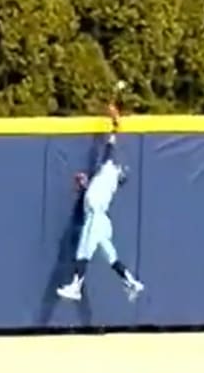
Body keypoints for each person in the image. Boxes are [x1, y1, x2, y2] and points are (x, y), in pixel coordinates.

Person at [56, 106, 144, 303]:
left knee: (82, 251)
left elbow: (109, 146)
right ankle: (131, 282)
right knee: (111, 257)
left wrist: (115, 123)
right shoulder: (104, 178)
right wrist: (84, 184)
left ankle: (76, 287)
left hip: (96, 217)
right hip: (100, 219)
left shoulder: (109, 172)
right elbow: (94, 189)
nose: (117, 165)